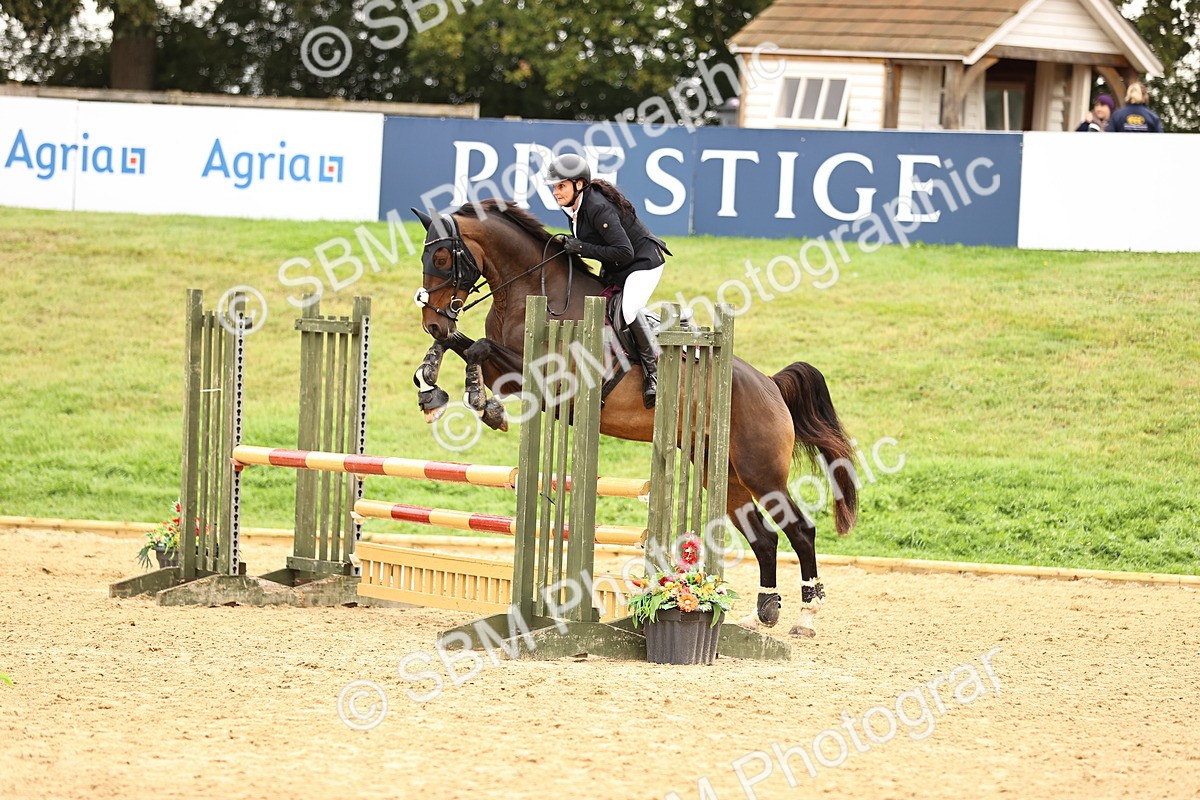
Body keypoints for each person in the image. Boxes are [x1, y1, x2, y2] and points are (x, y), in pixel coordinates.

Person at [544, 153, 671, 408]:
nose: (555, 192)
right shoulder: (576, 207)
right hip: (619, 268)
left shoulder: (597, 207)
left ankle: (653, 374)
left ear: (579, 184)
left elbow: (625, 251)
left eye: (561, 186)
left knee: (629, 310)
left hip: (643, 264)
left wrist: (580, 247)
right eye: (554, 187)